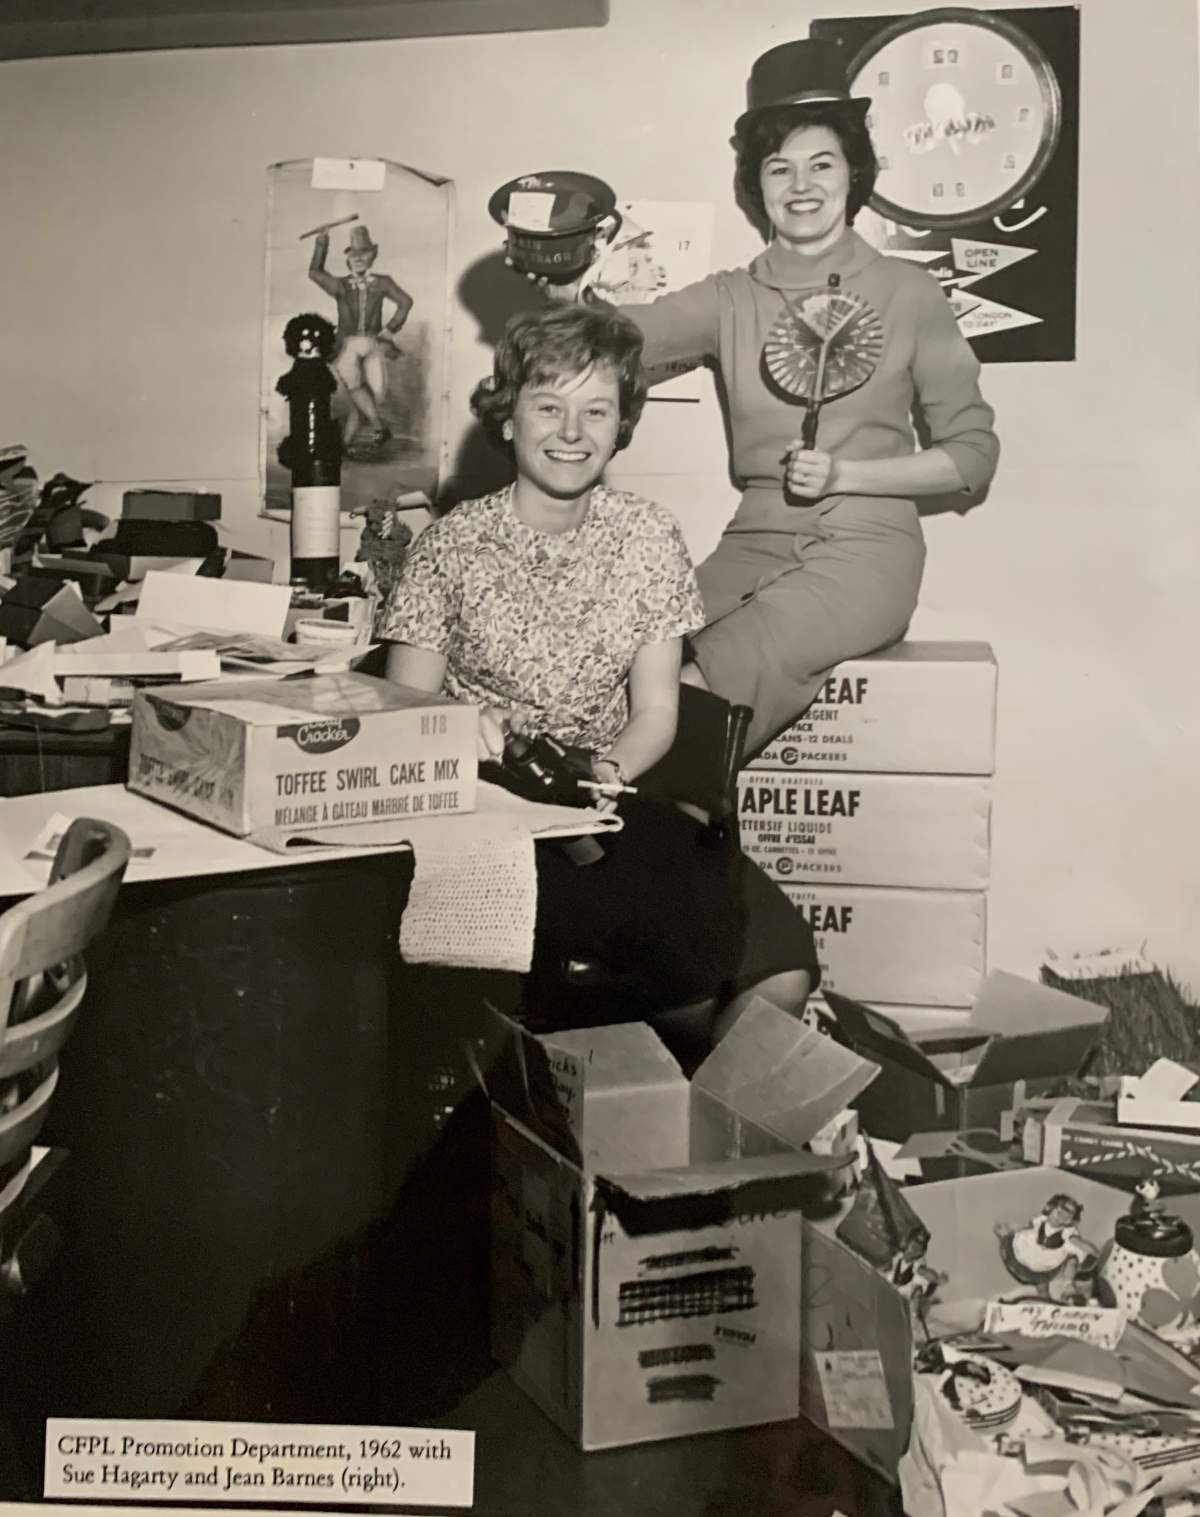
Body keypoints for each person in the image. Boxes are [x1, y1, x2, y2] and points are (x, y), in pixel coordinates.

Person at [532, 38, 1000, 756]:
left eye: (822, 163)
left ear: (854, 174)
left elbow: (972, 456)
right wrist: (566, 288)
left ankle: (652, 853)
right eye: (779, 167)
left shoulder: (910, 292)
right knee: (621, 664)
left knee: (705, 678)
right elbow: (613, 338)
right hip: (751, 542)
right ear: (757, 184)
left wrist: (847, 476)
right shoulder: (732, 297)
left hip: (867, 552)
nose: (801, 184)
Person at [380, 304, 819, 1051]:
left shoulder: (649, 537)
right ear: (508, 418)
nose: (572, 432)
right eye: (548, 406)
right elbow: (402, 712)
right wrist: (467, 730)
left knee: (779, 968)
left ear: (621, 426)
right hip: (486, 825)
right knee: (663, 987)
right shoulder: (447, 547)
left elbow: (655, 709)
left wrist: (604, 773)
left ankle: (704, 1139)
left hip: (608, 804)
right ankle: (645, 1106)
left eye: (596, 410)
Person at [308, 223, 413, 452]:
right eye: (353, 255)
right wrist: (322, 241)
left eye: (363, 254)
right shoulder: (340, 285)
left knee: (374, 395)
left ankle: (344, 445)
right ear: (348, 259)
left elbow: (406, 302)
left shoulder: (383, 282)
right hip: (346, 345)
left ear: (372, 257)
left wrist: (391, 329)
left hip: (374, 343)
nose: (358, 259)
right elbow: (314, 273)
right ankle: (379, 427)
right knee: (357, 387)